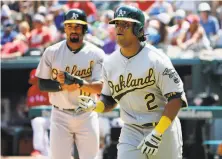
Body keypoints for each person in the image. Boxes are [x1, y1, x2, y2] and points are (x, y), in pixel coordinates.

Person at [77, 5, 188, 159]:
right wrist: (95, 106)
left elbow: (175, 98)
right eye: (117, 24)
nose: (119, 28)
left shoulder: (156, 59)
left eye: (126, 24)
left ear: (139, 30)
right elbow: (109, 99)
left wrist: (157, 133)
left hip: (163, 129)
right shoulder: (110, 63)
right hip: (131, 130)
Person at [35, 9, 105, 159]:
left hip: (87, 113)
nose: (73, 30)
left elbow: (101, 87)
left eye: (78, 26)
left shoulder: (96, 53)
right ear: (65, 28)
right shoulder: (52, 51)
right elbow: (41, 84)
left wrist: (79, 83)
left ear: (84, 29)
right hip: (60, 114)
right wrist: (61, 86)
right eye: (70, 26)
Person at [26, 69, 51, 156]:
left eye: (38, 81)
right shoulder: (31, 90)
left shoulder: (50, 89)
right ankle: (39, 150)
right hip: (41, 118)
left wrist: (42, 111)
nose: (36, 84)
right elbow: (29, 108)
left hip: (53, 117)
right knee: (38, 122)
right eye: (34, 81)